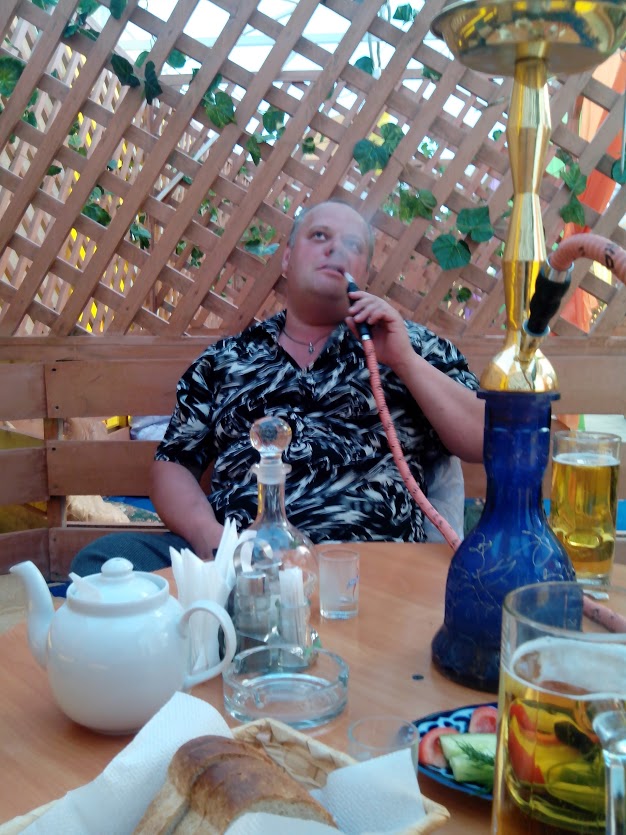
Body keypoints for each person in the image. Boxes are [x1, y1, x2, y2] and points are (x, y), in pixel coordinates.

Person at [70, 200, 484, 575]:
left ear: (364, 274)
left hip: (371, 563)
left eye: (353, 244)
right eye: (319, 236)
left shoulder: (413, 345)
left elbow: (483, 437)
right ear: (287, 259)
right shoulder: (226, 360)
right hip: (240, 560)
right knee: (106, 563)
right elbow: (174, 463)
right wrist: (212, 541)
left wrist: (404, 361)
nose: (335, 249)